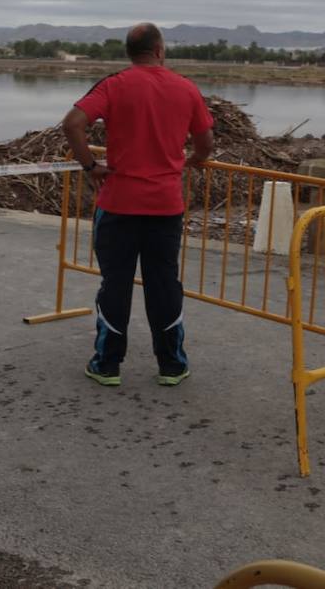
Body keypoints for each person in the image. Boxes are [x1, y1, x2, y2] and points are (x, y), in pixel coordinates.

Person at [62, 22, 214, 387]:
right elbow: (206, 143)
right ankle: (172, 366)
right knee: (164, 284)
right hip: (165, 207)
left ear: (130, 53)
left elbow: (72, 124)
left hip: (118, 206)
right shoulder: (186, 88)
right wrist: (191, 160)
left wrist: (90, 166)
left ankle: (107, 365)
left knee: (115, 284)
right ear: (160, 50)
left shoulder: (115, 85)